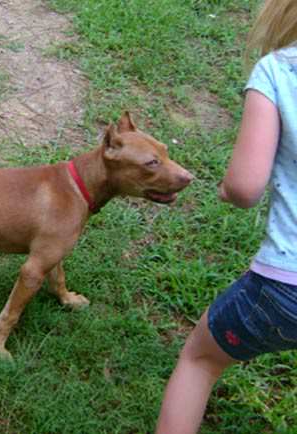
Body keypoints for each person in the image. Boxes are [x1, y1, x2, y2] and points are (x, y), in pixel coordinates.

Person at [156, 1, 297, 432]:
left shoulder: (279, 70)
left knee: (200, 359)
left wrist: (226, 189)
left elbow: (244, 186)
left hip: (285, 290)